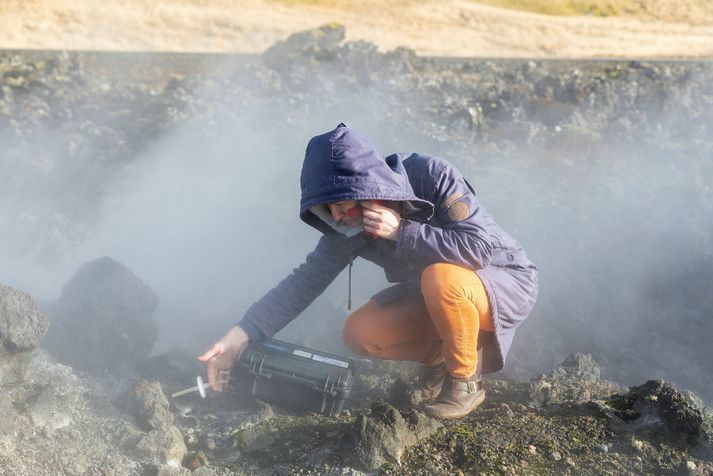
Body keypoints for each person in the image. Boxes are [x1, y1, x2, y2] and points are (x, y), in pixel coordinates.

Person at [199, 123, 538, 419]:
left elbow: (479, 249)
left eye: (344, 206)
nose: (339, 217)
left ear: (368, 189)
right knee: (360, 333)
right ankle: (445, 357)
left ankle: (465, 382)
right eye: (329, 209)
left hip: (503, 282)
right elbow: (304, 282)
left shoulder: (432, 175)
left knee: (441, 277)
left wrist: (401, 230)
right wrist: (240, 335)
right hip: (435, 297)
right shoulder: (346, 224)